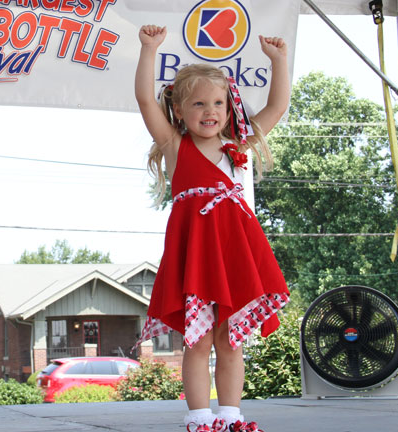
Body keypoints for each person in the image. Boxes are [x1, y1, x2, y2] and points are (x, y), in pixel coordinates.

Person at [133, 25, 291, 432]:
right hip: (197, 255)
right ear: (181, 110)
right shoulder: (175, 144)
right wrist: (149, 50)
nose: (210, 111)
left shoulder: (237, 145)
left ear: (228, 106)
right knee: (198, 340)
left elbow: (277, 108)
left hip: (234, 253)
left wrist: (279, 62)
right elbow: (144, 101)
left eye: (218, 102)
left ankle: (231, 415)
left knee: (231, 338)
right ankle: (201, 419)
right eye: (199, 103)